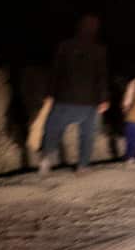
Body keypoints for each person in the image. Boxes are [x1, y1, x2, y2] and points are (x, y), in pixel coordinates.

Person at [39, 14, 109, 174]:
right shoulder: (99, 50)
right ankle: (83, 166)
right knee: (87, 135)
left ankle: (46, 160)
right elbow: (101, 76)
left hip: (64, 98)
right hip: (89, 101)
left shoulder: (65, 45)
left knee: (53, 129)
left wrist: (50, 93)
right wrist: (104, 99)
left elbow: (55, 71)